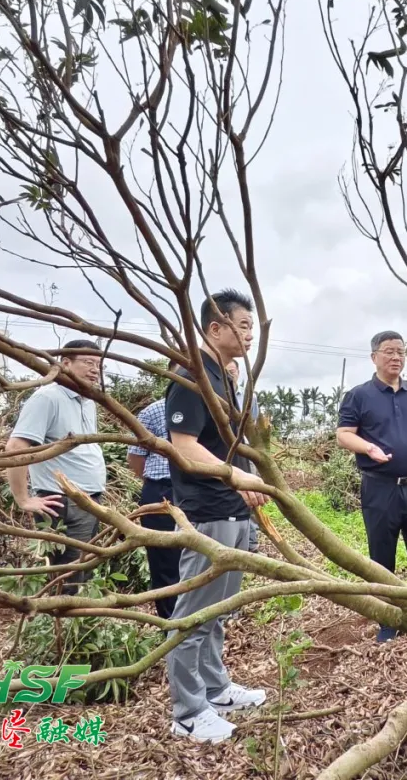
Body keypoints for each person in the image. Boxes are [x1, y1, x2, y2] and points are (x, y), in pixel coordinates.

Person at [165, 290, 269, 744]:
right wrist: (236, 478)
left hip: (231, 507)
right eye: (243, 326)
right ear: (215, 328)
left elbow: (234, 442)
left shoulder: (225, 378)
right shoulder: (192, 375)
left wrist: (245, 481)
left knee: (218, 611)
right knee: (193, 616)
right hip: (206, 511)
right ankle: (187, 712)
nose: (250, 335)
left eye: (251, 327)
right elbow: (184, 445)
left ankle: (215, 688)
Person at [336, 330, 407, 642]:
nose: (396, 357)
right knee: (382, 555)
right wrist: (368, 448)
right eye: (389, 351)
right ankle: (388, 621)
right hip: (379, 488)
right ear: (374, 356)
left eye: (400, 351)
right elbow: (344, 434)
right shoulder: (359, 395)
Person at [6, 339, 106, 593]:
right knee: (68, 574)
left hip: (89, 499)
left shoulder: (87, 400)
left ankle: (77, 625)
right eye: (87, 363)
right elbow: (17, 447)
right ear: (65, 364)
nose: (95, 369)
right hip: (63, 503)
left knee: (84, 568)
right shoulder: (48, 397)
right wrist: (23, 498)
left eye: (98, 364)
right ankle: (59, 625)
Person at [126, 360, 179, 620]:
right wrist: (153, 483)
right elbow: (136, 457)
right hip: (161, 493)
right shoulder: (153, 412)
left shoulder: (211, 410)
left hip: (198, 493)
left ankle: (197, 618)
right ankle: (170, 622)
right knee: (164, 560)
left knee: (195, 556)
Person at [226, 358, 261, 554]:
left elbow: (252, 425)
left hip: (245, 452)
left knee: (252, 493)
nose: (231, 375)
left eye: (234, 372)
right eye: (227, 372)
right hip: (226, 452)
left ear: (239, 373)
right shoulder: (215, 392)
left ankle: (251, 541)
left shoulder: (249, 397)